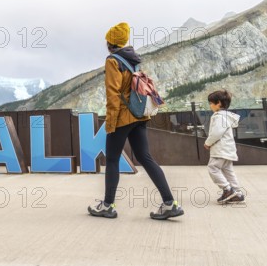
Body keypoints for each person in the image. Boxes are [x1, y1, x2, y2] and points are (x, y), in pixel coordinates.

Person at [88, 22, 184, 220]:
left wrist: (111, 122)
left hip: (123, 117)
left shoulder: (113, 61)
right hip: (139, 115)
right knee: (145, 157)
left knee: (113, 159)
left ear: (110, 43)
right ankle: (170, 203)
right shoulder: (133, 59)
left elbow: (113, 94)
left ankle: (107, 205)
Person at [204, 90, 245, 204]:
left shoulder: (218, 116)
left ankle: (228, 190)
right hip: (228, 149)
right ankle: (237, 193)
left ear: (219, 103)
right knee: (228, 171)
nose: (210, 105)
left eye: (211, 103)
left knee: (213, 168)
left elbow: (216, 133)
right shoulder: (227, 116)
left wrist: (208, 143)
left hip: (220, 149)